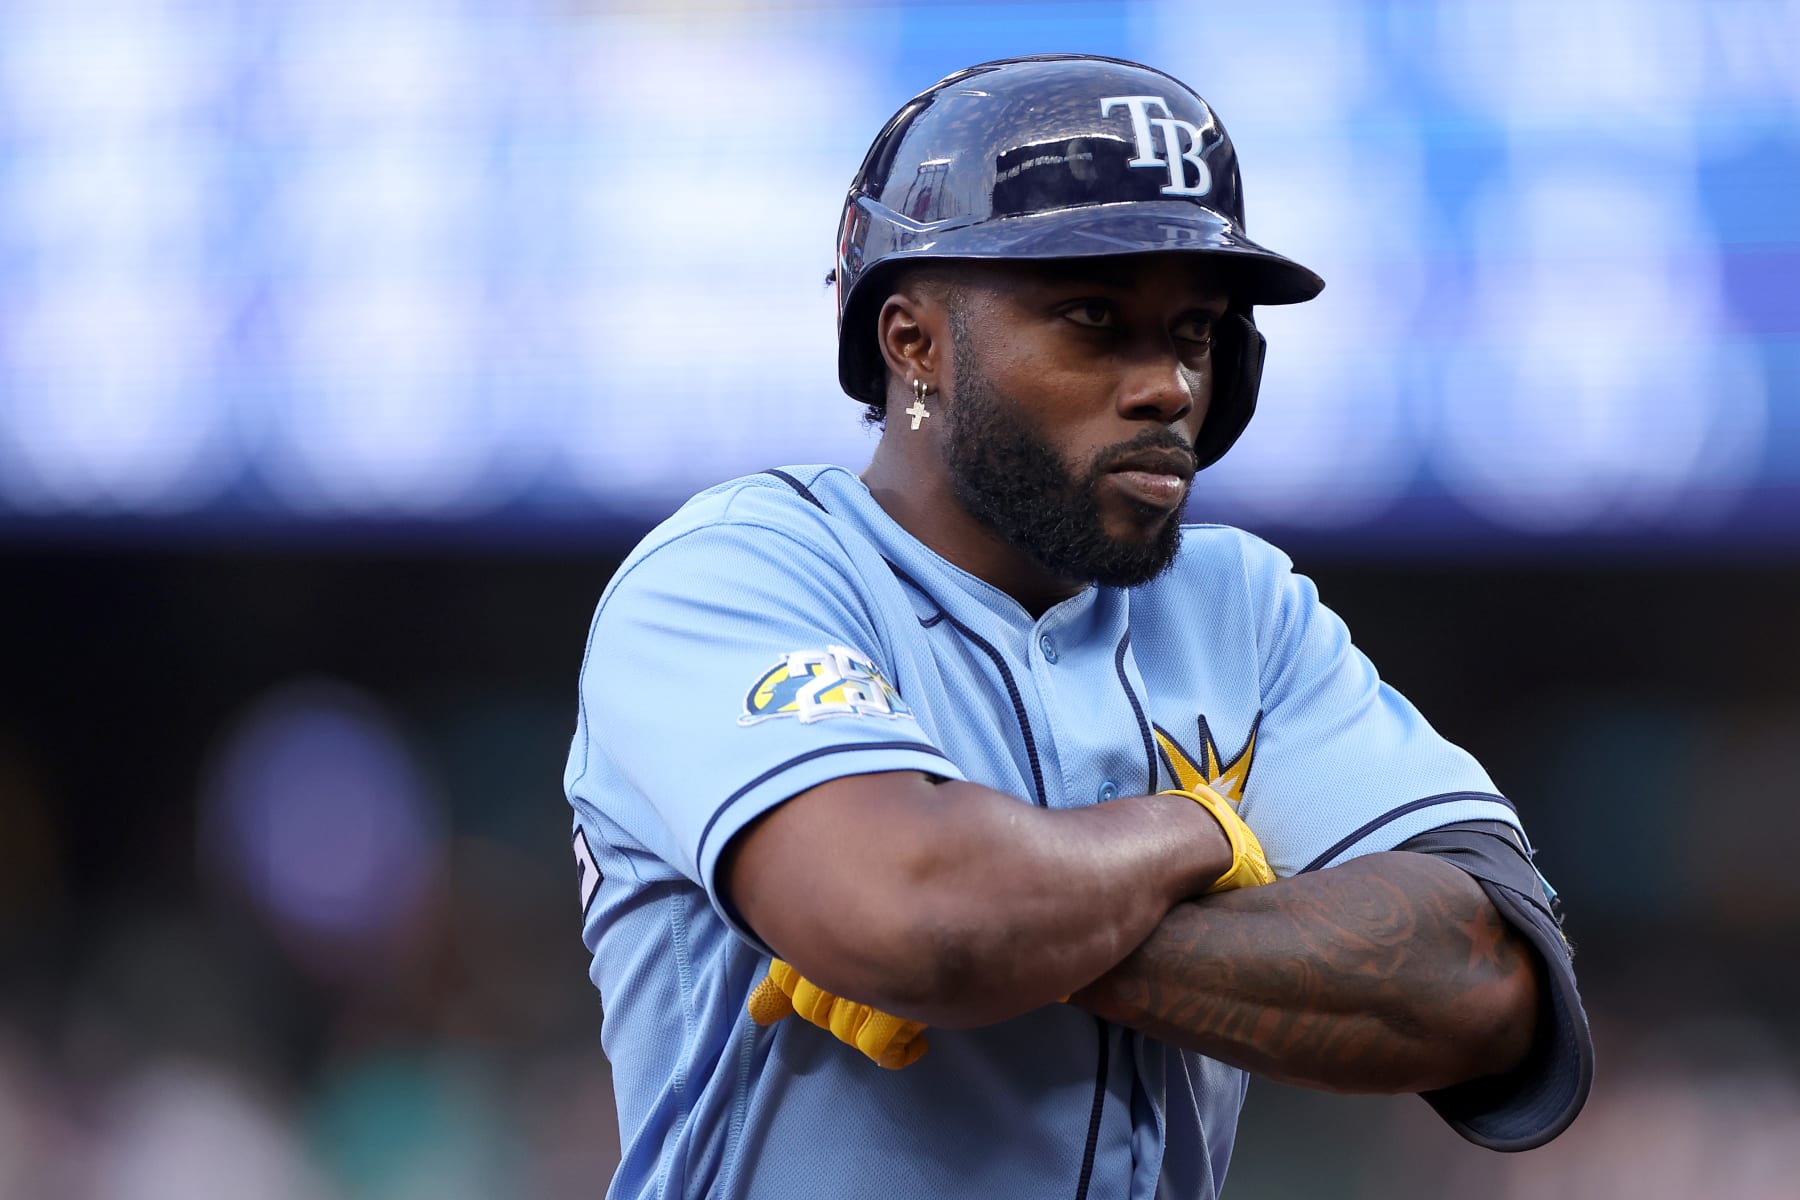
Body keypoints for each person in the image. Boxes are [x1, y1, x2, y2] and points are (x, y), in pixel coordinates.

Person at [563, 53, 1592, 1200]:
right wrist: (1203, 840)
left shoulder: (1241, 611)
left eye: (1195, 333)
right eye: (1096, 320)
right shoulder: (739, 574)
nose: (1168, 387)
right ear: (913, 344)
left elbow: (1486, 984)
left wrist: (1012, 925)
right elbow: (919, 916)